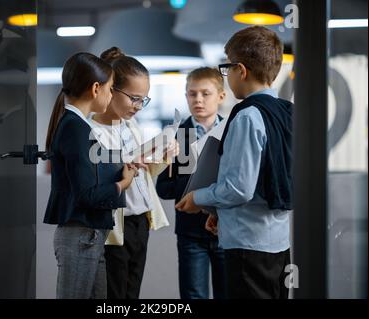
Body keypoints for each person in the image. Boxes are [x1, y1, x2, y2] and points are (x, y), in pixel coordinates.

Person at [176, 26, 293, 299]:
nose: (227, 78)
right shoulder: (287, 112)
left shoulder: (247, 116)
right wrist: (219, 213)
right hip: (278, 242)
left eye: (227, 69)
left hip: (247, 247)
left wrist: (199, 197)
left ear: (241, 70)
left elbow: (239, 188)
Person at [43, 52, 137, 299]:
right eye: (110, 88)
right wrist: (121, 184)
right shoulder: (76, 128)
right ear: (96, 88)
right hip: (80, 235)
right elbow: (86, 193)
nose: (111, 95)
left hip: (89, 234)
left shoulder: (77, 125)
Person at [89, 46, 176, 299]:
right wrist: (129, 162)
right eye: (134, 98)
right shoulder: (92, 130)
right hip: (116, 226)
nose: (139, 106)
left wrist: (162, 156)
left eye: (143, 99)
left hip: (141, 220)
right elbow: (103, 181)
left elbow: (144, 174)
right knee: (114, 294)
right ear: (110, 88)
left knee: (132, 293)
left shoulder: (130, 124)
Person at [156, 67, 227, 299]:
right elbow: (163, 190)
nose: (198, 100)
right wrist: (169, 163)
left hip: (226, 229)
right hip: (190, 232)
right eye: (192, 93)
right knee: (193, 295)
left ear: (221, 96)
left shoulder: (233, 130)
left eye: (205, 93)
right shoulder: (175, 135)